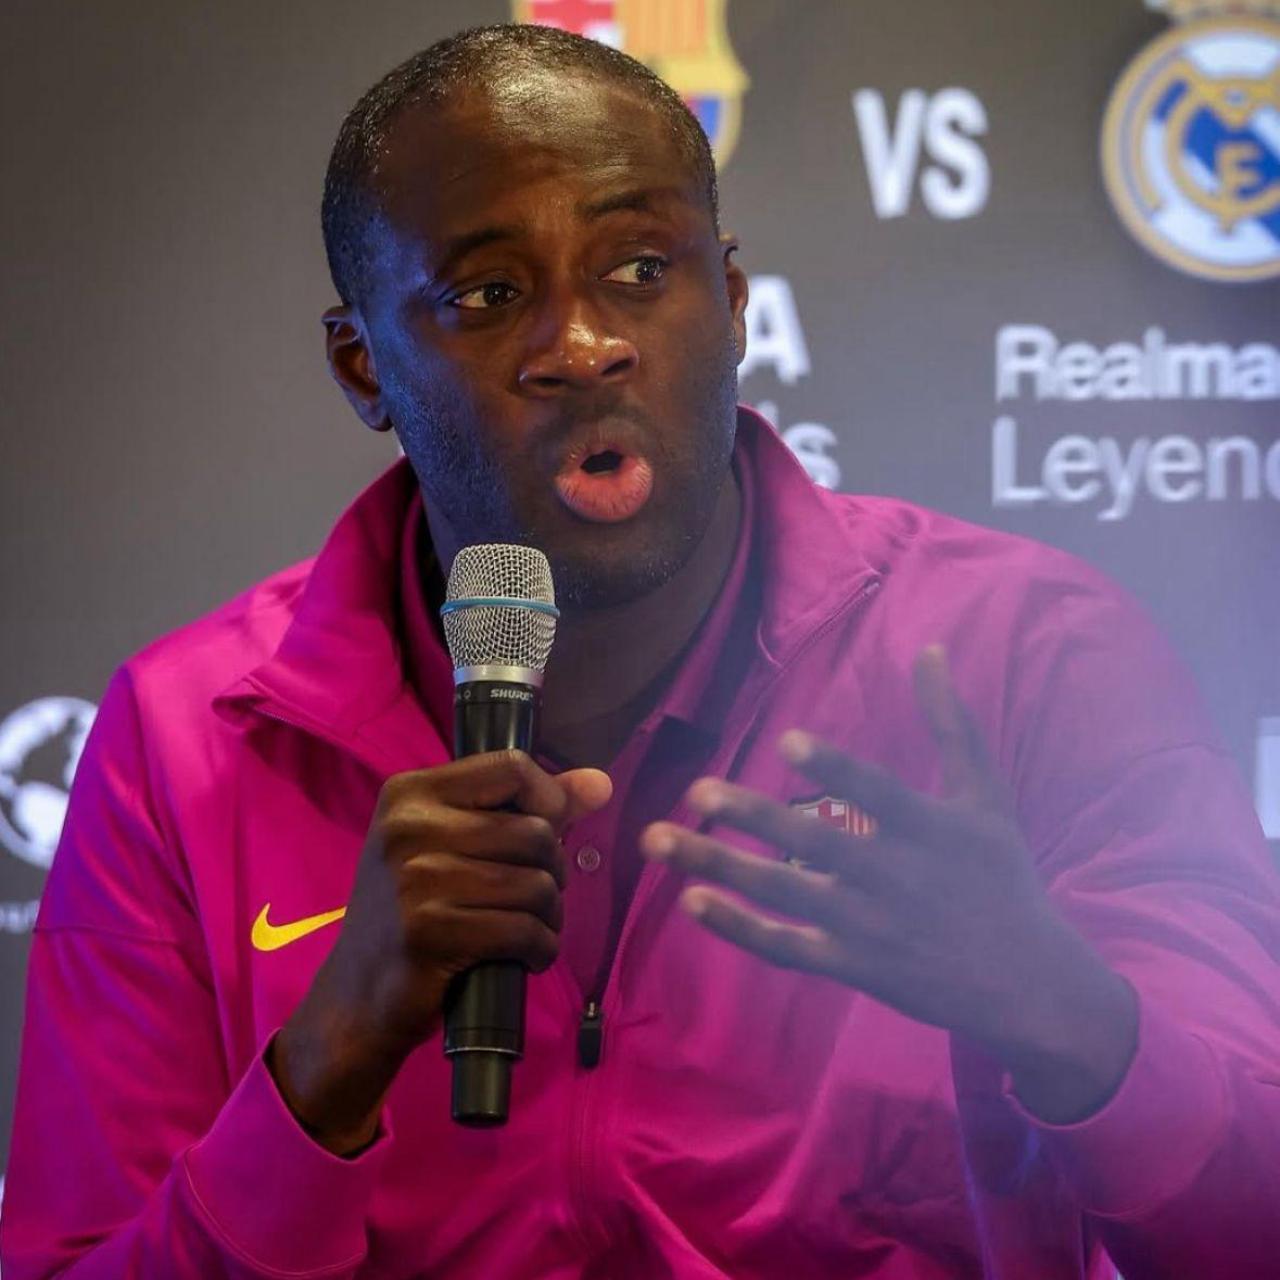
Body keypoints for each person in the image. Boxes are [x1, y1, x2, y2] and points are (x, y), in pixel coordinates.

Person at [3, 22, 1278, 1280]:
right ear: (363, 364)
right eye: (489, 294)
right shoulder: (193, 736)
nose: (583, 345)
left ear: (728, 303)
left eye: (639, 270)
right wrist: (328, 1055)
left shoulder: (1020, 659)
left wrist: (1064, 1018)